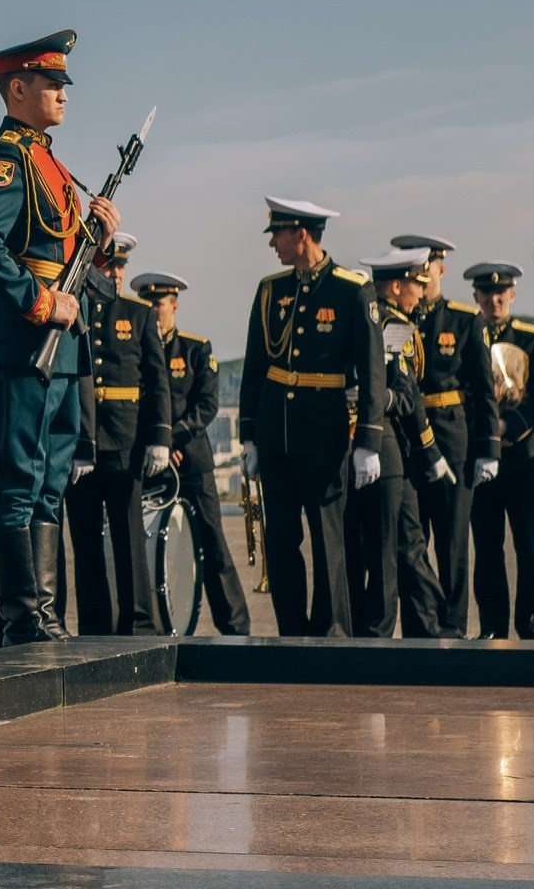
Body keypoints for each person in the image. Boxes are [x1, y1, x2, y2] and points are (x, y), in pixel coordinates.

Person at [0, 31, 120, 645]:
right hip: (26, 341)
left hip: (60, 343)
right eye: (51, 83)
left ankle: (45, 614)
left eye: (63, 83)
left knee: (50, 480)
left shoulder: (49, 161)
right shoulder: (6, 156)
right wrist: (36, 300)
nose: (62, 92)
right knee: (18, 477)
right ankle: (22, 618)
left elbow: (59, 253)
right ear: (17, 88)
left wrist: (98, 239)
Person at [238, 199, 384, 637]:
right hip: (275, 431)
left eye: (278, 235)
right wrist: (248, 437)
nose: (273, 245)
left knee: (327, 541)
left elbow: (373, 370)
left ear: (301, 234)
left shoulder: (351, 289)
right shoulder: (271, 290)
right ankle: (291, 633)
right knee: (281, 540)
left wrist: (369, 442)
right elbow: (255, 365)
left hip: (323, 435)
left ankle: (332, 633)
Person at [392, 234, 499, 636]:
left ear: (441, 268)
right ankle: (420, 627)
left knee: (453, 543)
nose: (422, 276)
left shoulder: (463, 318)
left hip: (452, 437)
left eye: (428, 268)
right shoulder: (398, 318)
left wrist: (489, 447)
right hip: (407, 439)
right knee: (410, 542)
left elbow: (485, 389)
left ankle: (452, 628)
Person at [66, 233, 172, 634]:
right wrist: (77, 440)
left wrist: (160, 437)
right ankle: (93, 626)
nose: (117, 272)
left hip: (126, 442)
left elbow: (157, 381)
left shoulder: (139, 314)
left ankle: (139, 623)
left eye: (120, 265)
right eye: (109, 265)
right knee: (86, 542)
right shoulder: (73, 311)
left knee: (130, 540)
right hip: (83, 445)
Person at [135, 270, 249, 634]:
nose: (154, 311)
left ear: (175, 306)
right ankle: (154, 622)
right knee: (147, 549)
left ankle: (235, 627)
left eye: (160, 304)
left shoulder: (196, 348)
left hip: (191, 463)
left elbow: (206, 406)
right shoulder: (135, 349)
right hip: (152, 464)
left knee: (213, 545)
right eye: (148, 304)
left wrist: (172, 440)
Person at [351, 250, 447, 639]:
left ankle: (428, 628)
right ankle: (401, 631)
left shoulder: (386, 321)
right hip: (391, 447)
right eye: (416, 285)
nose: (421, 294)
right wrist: (431, 451)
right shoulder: (394, 327)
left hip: (383, 447)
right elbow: (407, 397)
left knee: (402, 545)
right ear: (395, 286)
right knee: (396, 546)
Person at [466, 262, 534, 639]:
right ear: (477, 297)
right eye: (486, 293)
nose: (494, 298)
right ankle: (493, 629)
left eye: (501, 292)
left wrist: (507, 426)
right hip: (482, 459)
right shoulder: (467, 334)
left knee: (530, 546)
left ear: (513, 295)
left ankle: (532, 629)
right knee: (487, 548)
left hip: (525, 459)